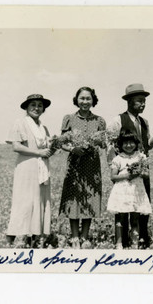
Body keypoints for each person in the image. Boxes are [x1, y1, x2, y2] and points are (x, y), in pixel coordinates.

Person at [107, 83, 153, 249]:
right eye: (139, 101)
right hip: (123, 173)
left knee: (141, 204)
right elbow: (109, 146)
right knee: (123, 207)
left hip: (141, 173)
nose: (143, 104)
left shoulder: (144, 122)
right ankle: (122, 242)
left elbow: (147, 146)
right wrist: (115, 169)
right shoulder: (117, 121)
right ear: (129, 101)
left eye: (144, 101)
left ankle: (140, 240)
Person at [59, 87, 107, 249]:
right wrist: (73, 149)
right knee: (75, 198)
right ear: (76, 100)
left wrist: (99, 142)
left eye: (88, 99)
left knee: (90, 198)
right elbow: (62, 142)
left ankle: (85, 237)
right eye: (82, 98)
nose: (85, 102)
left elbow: (104, 143)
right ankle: (74, 237)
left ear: (93, 100)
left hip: (92, 165)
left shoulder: (99, 121)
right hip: (75, 164)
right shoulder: (69, 119)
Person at [5, 94, 54, 248]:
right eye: (32, 105)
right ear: (26, 107)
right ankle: (15, 238)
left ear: (43, 109)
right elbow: (16, 146)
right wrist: (39, 153)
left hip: (41, 168)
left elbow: (46, 148)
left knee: (39, 200)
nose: (36, 108)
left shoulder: (43, 127)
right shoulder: (20, 123)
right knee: (24, 201)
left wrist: (53, 147)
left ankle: (34, 236)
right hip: (26, 168)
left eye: (40, 105)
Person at [107, 129, 152, 249]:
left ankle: (134, 243)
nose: (128, 145)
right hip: (121, 191)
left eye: (131, 142)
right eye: (125, 143)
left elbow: (147, 174)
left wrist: (141, 172)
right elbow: (113, 177)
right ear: (120, 145)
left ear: (136, 143)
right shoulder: (118, 159)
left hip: (136, 192)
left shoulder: (141, 157)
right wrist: (127, 175)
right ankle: (119, 243)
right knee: (120, 218)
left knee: (135, 218)